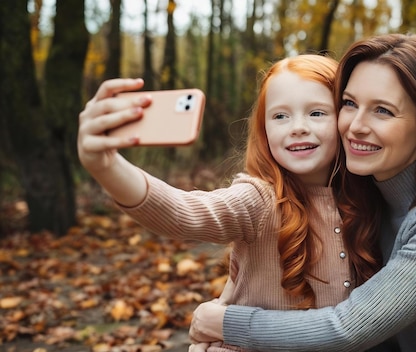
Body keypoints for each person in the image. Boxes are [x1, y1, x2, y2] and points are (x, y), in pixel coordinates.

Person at [187, 34, 416, 351]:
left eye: (382, 111)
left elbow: (347, 328)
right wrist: (224, 309)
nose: (355, 126)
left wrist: (225, 322)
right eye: (349, 104)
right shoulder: (363, 199)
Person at [77, 54, 385, 351]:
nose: (298, 127)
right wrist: (106, 167)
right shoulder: (259, 198)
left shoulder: (366, 196)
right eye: (280, 116)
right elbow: (186, 213)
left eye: (316, 113)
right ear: (264, 131)